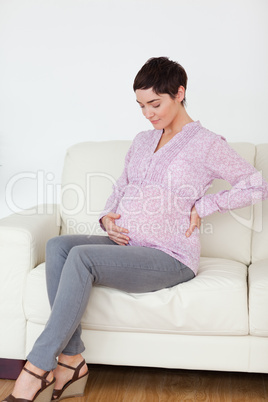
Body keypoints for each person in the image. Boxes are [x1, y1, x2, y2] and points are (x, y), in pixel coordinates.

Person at [3, 57, 268, 402]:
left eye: (155, 104)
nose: (148, 113)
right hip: (127, 246)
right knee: (58, 246)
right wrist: (107, 218)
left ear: (179, 93)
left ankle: (37, 367)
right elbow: (121, 186)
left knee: (82, 258)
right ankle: (72, 359)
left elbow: (256, 185)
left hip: (169, 256)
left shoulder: (206, 143)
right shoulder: (143, 140)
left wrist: (204, 206)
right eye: (141, 105)